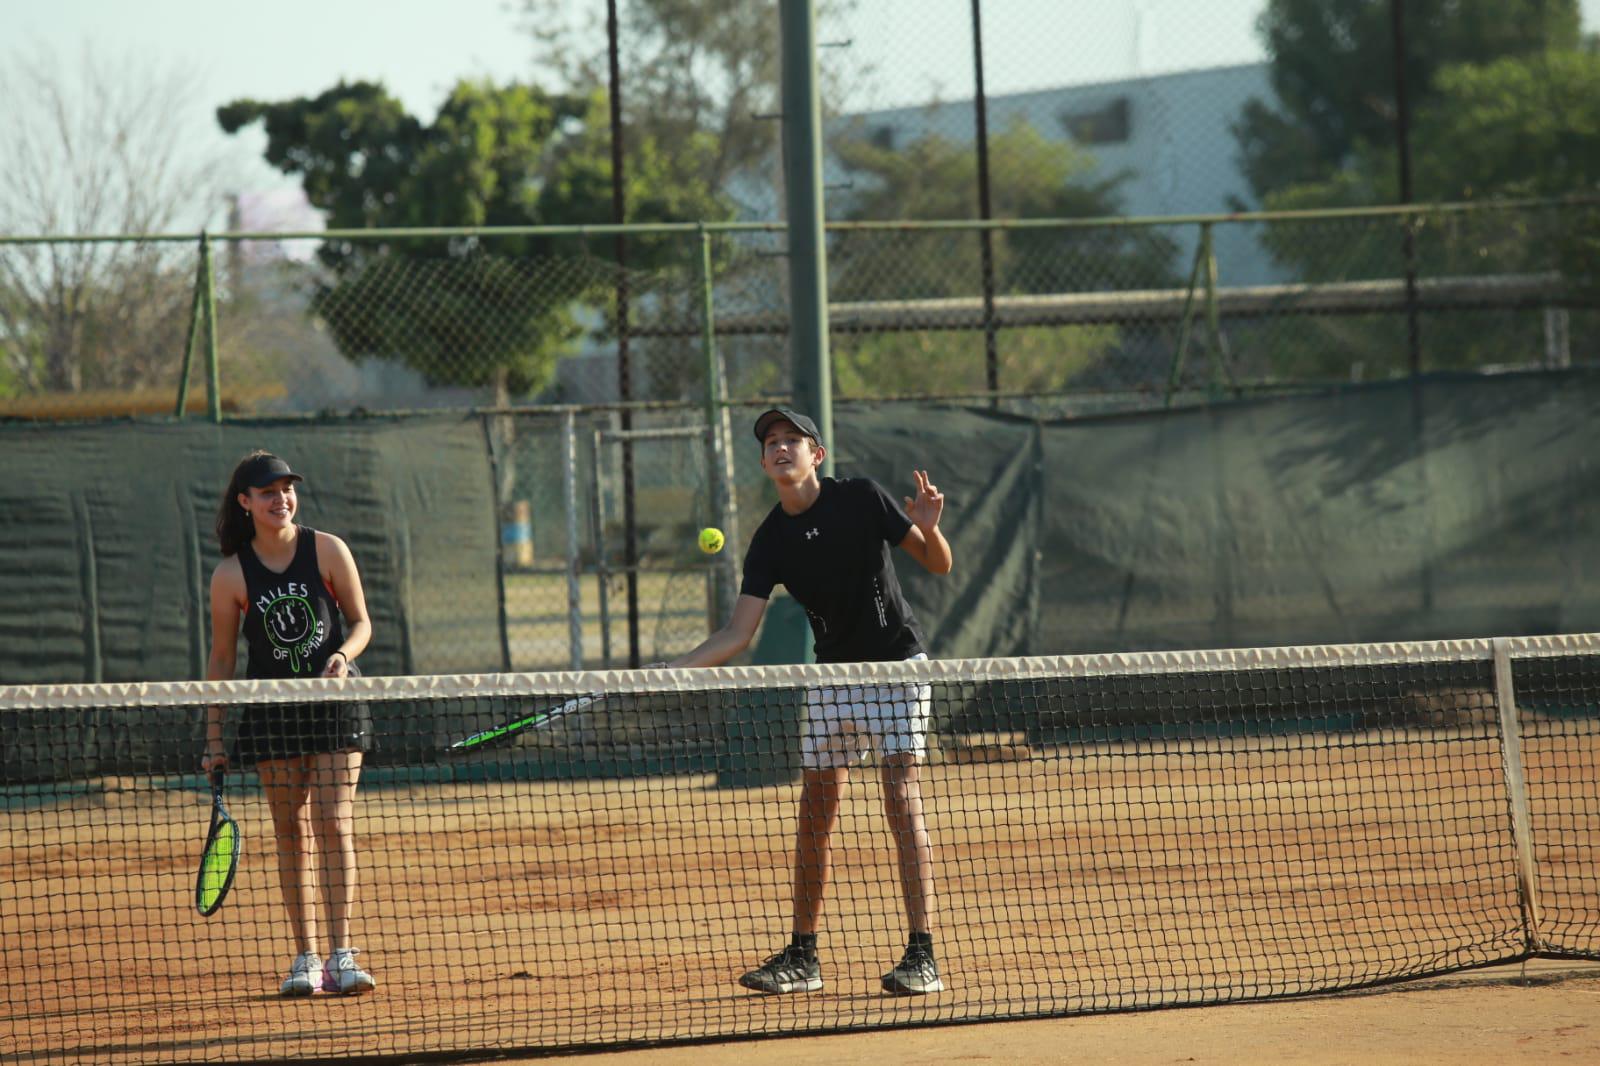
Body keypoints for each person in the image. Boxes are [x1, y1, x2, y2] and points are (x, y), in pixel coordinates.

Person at [666, 408, 953, 996]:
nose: (779, 448)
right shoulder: (770, 539)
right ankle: (803, 957)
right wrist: (669, 671)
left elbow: (938, 562)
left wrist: (929, 526)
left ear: (816, 454)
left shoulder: (862, 498)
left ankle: (922, 955)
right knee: (813, 814)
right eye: (770, 442)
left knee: (899, 796)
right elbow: (736, 634)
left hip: (898, 667)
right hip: (833, 677)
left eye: (791, 440)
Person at [200, 451, 377, 997]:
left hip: (334, 705)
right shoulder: (231, 575)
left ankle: (342, 956)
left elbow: (361, 621)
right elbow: (223, 659)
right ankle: (305, 959)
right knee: (290, 832)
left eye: (287, 489)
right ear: (245, 502)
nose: (282, 499)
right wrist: (213, 739)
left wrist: (343, 657)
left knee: (332, 820)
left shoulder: (327, 549)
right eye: (269, 492)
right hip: (272, 715)